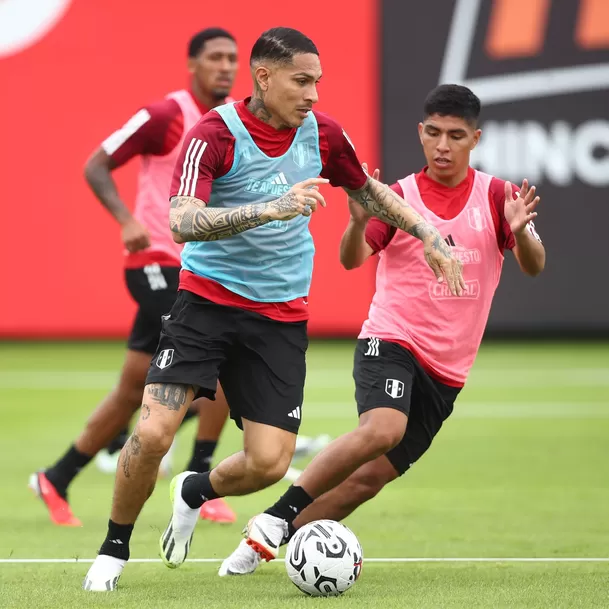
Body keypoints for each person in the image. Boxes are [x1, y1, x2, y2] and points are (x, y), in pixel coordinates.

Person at [82, 26, 462, 592]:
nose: (313, 94)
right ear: (264, 76)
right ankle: (113, 548)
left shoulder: (324, 134)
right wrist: (270, 208)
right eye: (301, 80)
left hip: (279, 316)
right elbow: (182, 221)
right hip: (205, 303)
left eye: (318, 82)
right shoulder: (214, 134)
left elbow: (368, 193)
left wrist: (427, 232)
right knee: (156, 429)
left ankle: (194, 490)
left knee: (267, 463)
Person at [219, 83, 546, 576]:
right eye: (433, 133)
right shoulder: (398, 197)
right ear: (420, 132)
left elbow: (536, 266)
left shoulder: (498, 196)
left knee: (366, 481)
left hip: (448, 370)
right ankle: (274, 518)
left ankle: (265, 543)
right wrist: (357, 222)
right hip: (391, 339)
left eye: (455, 135)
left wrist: (520, 233)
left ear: (474, 139)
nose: (442, 145)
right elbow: (352, 260)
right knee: (383, 429)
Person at [30, 27, 240, 528]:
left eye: (233, 57)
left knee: (131, 390)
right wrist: (126, 221)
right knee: (222, 360)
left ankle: (56, 477)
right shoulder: (167, 114)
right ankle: (200, 480)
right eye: (215, 57)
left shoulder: (232, 123)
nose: (226, 66)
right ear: (192, 64)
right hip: (156, 264)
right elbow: (97, 164)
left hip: (197, 268)